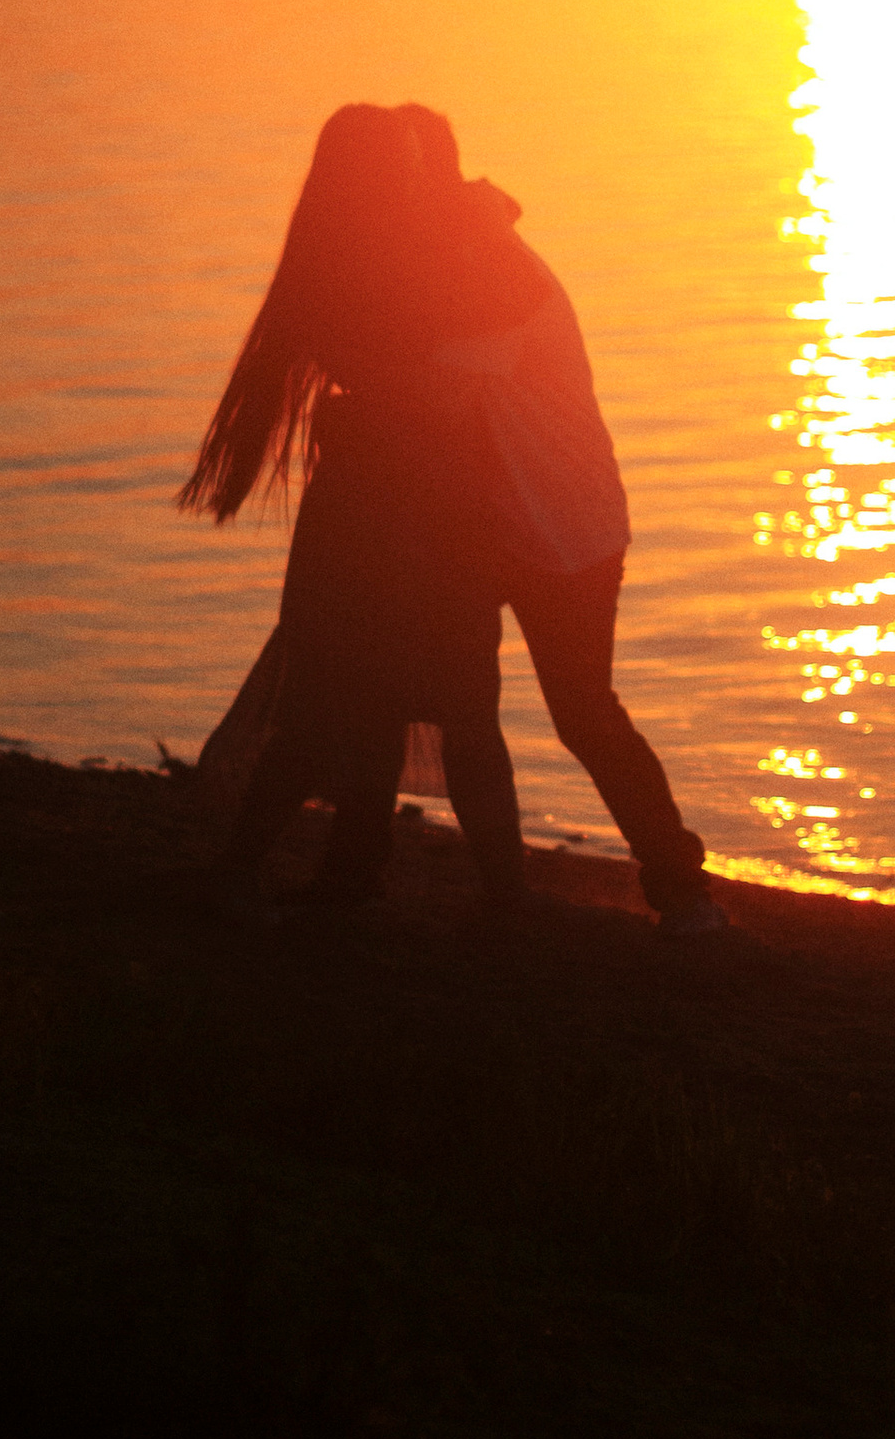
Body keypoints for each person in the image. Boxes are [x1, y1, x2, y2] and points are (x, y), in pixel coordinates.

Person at [181, 103, 724, 935]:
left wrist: (345, 413)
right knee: (428, 702)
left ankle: (681, 893)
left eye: (415, 175)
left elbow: (433, 396)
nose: (407, 195)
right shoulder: (433, 255)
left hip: (561, 530)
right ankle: (459, 889)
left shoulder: (488, 268)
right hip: (475, 526)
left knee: (579, 712)